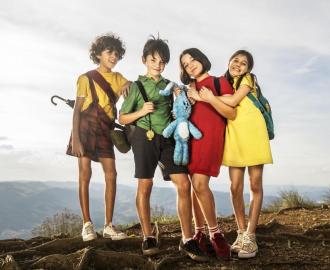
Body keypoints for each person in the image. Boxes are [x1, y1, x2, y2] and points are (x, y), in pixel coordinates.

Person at [119, 36, 207, 261]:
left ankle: (187, 239)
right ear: (144, 60)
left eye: (162, 61)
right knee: (145, 185)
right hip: (143, 137)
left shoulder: (171, 86)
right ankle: (148, 236)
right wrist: (141, 112)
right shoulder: (136, 86)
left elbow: (181, 108)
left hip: (168, 139)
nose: (158, 65)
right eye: (153, 60)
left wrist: (183, 98)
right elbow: (122, 117)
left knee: (183, 184)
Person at [66, 33, 131, 242]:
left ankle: (109, 225)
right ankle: (87, 224)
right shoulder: (85, 78)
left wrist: (131, 88)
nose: (113, 56)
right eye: (108, 52)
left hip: (105, 128)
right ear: (98, 54)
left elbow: (130, 90)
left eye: (116, 53)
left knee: (111, 174)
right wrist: (75, 139)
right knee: (85, 173)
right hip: (85, 126)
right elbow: (77, 110)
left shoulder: (119, 77)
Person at [180, 48, 236, 260]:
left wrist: (208, 98)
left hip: (210, 138)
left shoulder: (219, 82)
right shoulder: (189, 88)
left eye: (193, 59)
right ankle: (200, 232)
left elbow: (231, 112)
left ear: (201, 59)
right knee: (196, 186)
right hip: (190, 140)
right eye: (186, 64)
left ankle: (216, 233)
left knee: (200, 185)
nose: (191, 64)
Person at [220, 50, 273, 258]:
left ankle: (251, 236)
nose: (238, 65)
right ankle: (241, 232)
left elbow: (233, 101)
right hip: (234, 135)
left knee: (255, 184)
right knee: (234, 186)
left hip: (254, 133)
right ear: (229, 61)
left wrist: (207, 96)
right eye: (235, 60)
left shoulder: (247, 79)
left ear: (248, 69)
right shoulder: (223, 82)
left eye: (244, 63)